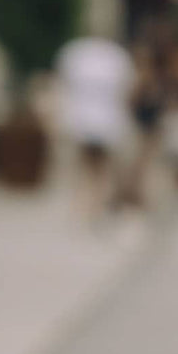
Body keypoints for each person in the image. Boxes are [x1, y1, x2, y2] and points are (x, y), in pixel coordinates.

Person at [53, 32, 136, 223]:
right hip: (99, 120)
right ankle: (91, 206)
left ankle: (87, 206)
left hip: (90, 120)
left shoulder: (80, 53)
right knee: (95, 167)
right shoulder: (115, 57)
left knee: (90, 166)